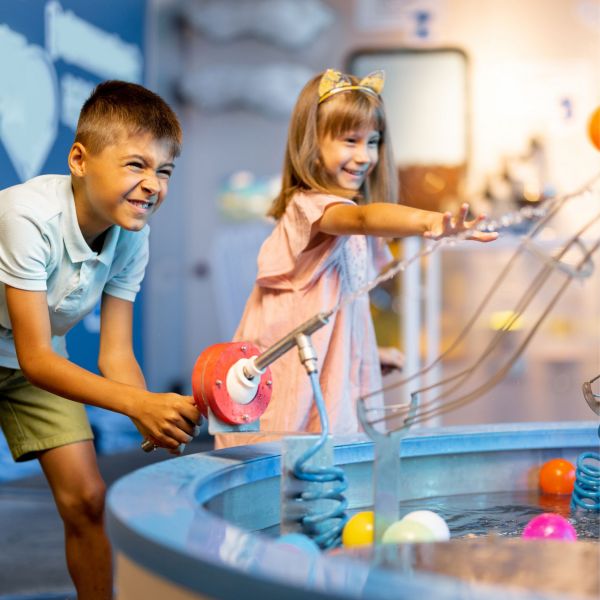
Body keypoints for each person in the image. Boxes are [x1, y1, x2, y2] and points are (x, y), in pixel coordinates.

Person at [215, 69, 497, 450]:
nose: (364, 156)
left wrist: (364, 350)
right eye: (350, 140)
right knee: (285, 455)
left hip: (323, 379)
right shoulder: (310, 208)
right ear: (312, 143)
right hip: (289, 383)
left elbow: (332, 311)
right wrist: (430, 221)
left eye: (373, 142)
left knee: (329, 458)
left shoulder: (349, 225)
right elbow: (363, 219)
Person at [0, 81, 202, 599]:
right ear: (79, 160)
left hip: (31, 359)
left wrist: (153, 416)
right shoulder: (26, 215)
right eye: (136, 165)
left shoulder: (133, 235)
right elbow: (36, 358)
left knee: (87, 499)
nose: (152, 184)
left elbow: (115, 353)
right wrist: (139, 404)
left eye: (164, 171)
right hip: (35, 356)